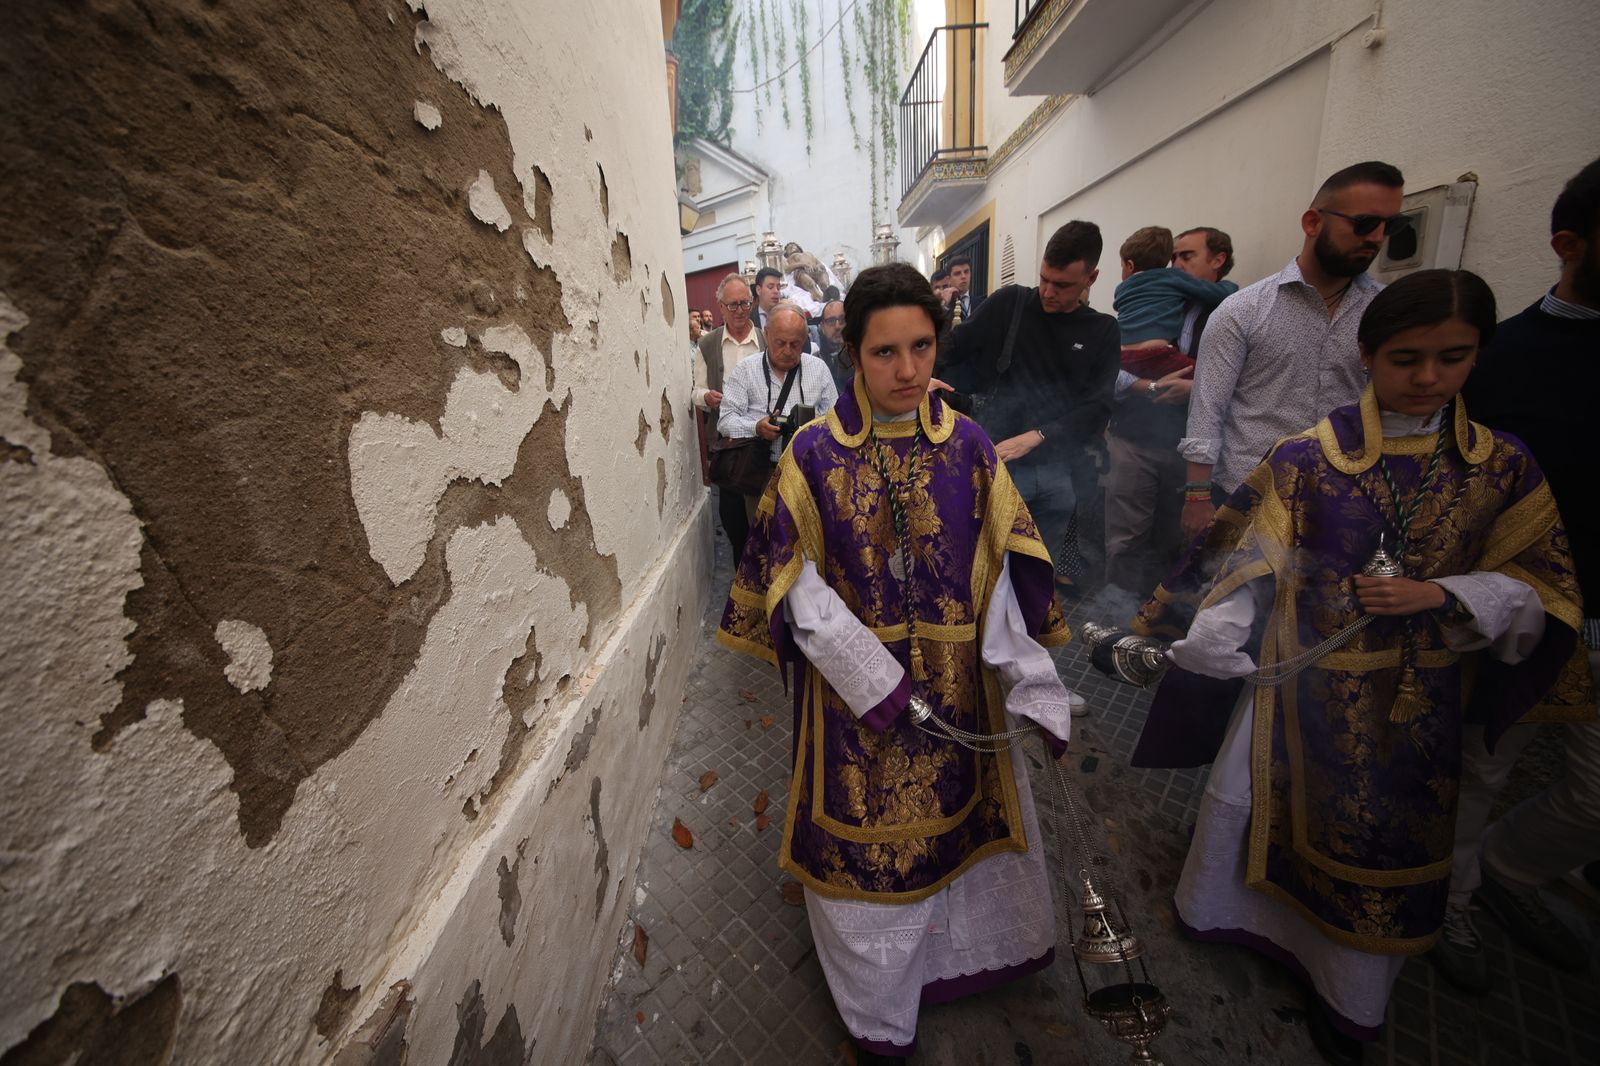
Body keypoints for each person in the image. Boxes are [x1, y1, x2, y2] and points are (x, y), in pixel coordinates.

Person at [1129, 269, 1584, 1065]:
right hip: (1298, 684)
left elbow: (1542, 590)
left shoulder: (1503, 466)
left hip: (1421, 697)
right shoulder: (1309, 456)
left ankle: (1349, 989)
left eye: (1453, 358)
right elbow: (1244, 562)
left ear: (1478, 356)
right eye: (1407, 358)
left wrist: (1446, 592)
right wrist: (1212, 641)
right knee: (1257, 805)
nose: (1429, 377)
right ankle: (1229, 923)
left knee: (1385, 838)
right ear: (1368, 357)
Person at [717, 263, 1075, 1062]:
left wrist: (1032, 681)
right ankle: (879, 1008)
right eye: (884, 353)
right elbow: (790, 580)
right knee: (867, 849)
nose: (907, 370)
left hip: (960, 692)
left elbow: (1004, 571)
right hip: (855, 702)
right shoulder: (812, 454)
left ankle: (953, 960)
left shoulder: (970, 446)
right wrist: (869, 677)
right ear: (852, 356)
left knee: (956, 829)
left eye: (921, 346)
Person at [1434, 156, 1600, 990]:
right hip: (1512, 612)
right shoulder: (1500, 363)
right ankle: (1455, 897)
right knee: (1483, 763)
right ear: (1572, 244)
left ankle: (1508, 872)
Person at [1181, 161, 1408, 538]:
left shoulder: (1387, 312)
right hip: (1248, 497)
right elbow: (1207, 410)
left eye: (1390, 226)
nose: (1376, 238)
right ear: (1313, 222)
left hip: (1344, 501)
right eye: (1365, 224)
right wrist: (1197, 498)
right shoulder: (1245, 310)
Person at [935, 221, 1121, 593]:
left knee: (1035, 578)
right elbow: (951, 348)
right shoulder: (1011, 304)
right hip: (996, 466)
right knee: (981, 572)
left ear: (1092, 277)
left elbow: (1098, 408)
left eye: (1063, 285)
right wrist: (926, 375)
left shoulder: (1102, 331)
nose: (1049, 292)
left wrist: (1038, 436)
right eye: (1045, 279)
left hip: (1058, 473)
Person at [1104, 226, 1237, 593]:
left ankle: (1158, 615)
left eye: (1186, 256)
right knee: (1125, 538)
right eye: (1173, 256)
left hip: (1190, 450)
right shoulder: (1154, 297)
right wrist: (1147, 387)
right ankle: (1115, 616)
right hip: (1134, 440)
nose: (1174, 264)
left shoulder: (1234, 315)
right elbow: (1112, 365)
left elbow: (1246, 385)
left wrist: (1194, 390)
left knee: (1173, 539)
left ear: (1218, 260)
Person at [717, 304, 839, 520]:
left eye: (796, 344)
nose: (788, 351)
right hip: (762, 474)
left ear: (805, 340)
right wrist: (756, 427)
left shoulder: (818, 369)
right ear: (766, 335)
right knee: (763, 546)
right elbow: (725, 421)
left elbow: (837, 421)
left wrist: (812, 430)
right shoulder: (746, 370)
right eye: (780, 343)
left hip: (809, 476)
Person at [697, 274, 766, 561]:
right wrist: (706, 398)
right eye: (733, 305)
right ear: (721, 307)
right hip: (729, 450)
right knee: (734, 522)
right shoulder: (708, 344)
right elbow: (695, 390)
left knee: (765, 519)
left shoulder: (765, 339)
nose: (739, 310)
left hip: (764, 445)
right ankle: (743, 585)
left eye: (744, 303)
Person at [816, 298, 850, 393]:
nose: (837, 326)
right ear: (822, 327)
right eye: (831, 321)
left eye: (842, 319)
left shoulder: (862, 358)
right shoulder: (815, 363)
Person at [753, 266, 784, 330]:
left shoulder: (786, 316)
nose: (776, 291)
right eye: (770, 287)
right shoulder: (748, 320)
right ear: (758, 290)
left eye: (778, 287)